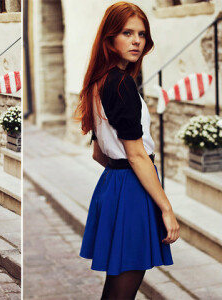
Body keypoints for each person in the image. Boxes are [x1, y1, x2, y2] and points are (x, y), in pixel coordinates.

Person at [75, 2, 180, 299]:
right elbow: (136, 154)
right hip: (133, 187)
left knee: (117, 285)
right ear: (110, 38)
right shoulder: (121, 84)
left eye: (142, 34)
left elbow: (98, 153)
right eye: (127, 32)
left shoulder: (98, 82)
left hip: (114, 184)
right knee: (123, 291)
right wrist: (167, 208)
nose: (136, 40)